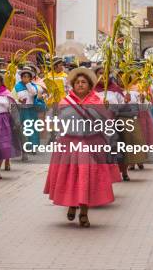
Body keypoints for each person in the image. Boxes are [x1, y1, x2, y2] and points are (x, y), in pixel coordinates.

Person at [44, 67, 116, 227]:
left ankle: (84, 212)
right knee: (71, 176)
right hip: (69, 144)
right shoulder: (64, 102)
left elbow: (106, 124)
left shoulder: (98, 101)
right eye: (78, 82)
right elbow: (55, 122)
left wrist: (105, 110)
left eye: (84, 82)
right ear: (73, 85)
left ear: (90, 85)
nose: (81, 85)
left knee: (86, 177)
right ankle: (72, 204)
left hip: (90, 144)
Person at [15, 66, 42, 149]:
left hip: (31, 109)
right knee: (19, 128)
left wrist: (28, 84)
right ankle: (20, 146)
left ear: (31, 78)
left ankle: (33, 145)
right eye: (24, 76)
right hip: (20, 109)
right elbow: (13, 97)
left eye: (27, 77)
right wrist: (18, 100)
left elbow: (33, 93)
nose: (25, 78)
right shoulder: (17, 86)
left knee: (32, 127)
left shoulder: (33, 86)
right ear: (21, 77)